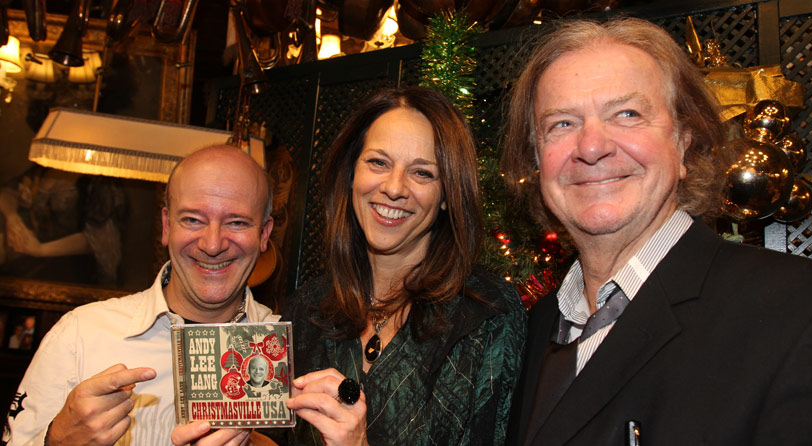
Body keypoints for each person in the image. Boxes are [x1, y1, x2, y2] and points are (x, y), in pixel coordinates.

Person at [502, 18, 812, 445]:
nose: (591, 147)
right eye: (562, 124)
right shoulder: (522, 335)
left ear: (684, 143)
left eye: (627, 114)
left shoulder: (808, 316)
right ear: (537, 160)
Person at [278, 86, 527, 446]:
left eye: (422, 173)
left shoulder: (486, 318)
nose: (394, 188)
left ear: (447, 195)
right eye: (378, 162)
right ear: (351, 174)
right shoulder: (306, 310)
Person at [4, 145, 278, 446]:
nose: (213, 245)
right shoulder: (80, 335)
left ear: (264, 234)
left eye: (237, 222)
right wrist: (56, 442)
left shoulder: (290, 353)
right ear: (166, 226)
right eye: (192, 220)